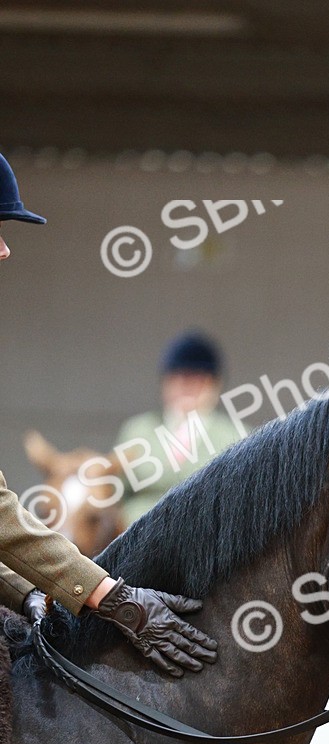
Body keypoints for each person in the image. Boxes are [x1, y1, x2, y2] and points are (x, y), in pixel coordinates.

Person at [0, 152, 217, 677]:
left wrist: (32, 592)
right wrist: (110, 597)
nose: (5, 250)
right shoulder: (139, 433)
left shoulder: (232, 436)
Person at [116, 330, 241, 526]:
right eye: (181, 378)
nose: (188, 386)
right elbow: (115, 493)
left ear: (215, 385)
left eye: (198, 379)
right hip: (137, 536)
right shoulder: (137, 430)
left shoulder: (236, 435)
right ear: (166, 382)